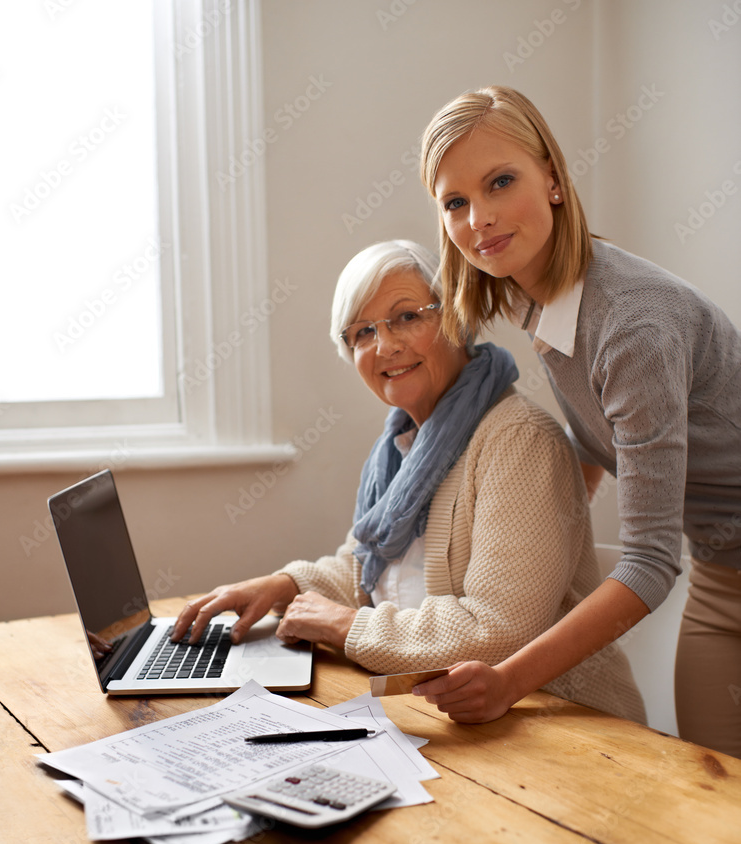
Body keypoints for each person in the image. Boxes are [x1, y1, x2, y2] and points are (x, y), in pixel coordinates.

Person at [172, 240, 646, 724]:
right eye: (362, 332)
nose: (386, 345)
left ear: (456, 318)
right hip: (448, 718)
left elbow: (497, 631)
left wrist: (347, 627)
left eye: (406, 317)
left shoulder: (518, 440)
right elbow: (371, 573)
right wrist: (283, 585)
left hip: (561, 726)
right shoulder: (403, 442)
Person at [418, 84, 741, 757]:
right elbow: (603, 435)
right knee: (716, 801)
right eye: (456, 201)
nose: (479, 217)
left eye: (501, 181)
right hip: (720, 573)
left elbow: (651, 561)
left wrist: (507, 680)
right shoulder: (541, 298)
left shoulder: (632, 325)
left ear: (555, 181)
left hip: (696, 565)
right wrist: (543, 512)